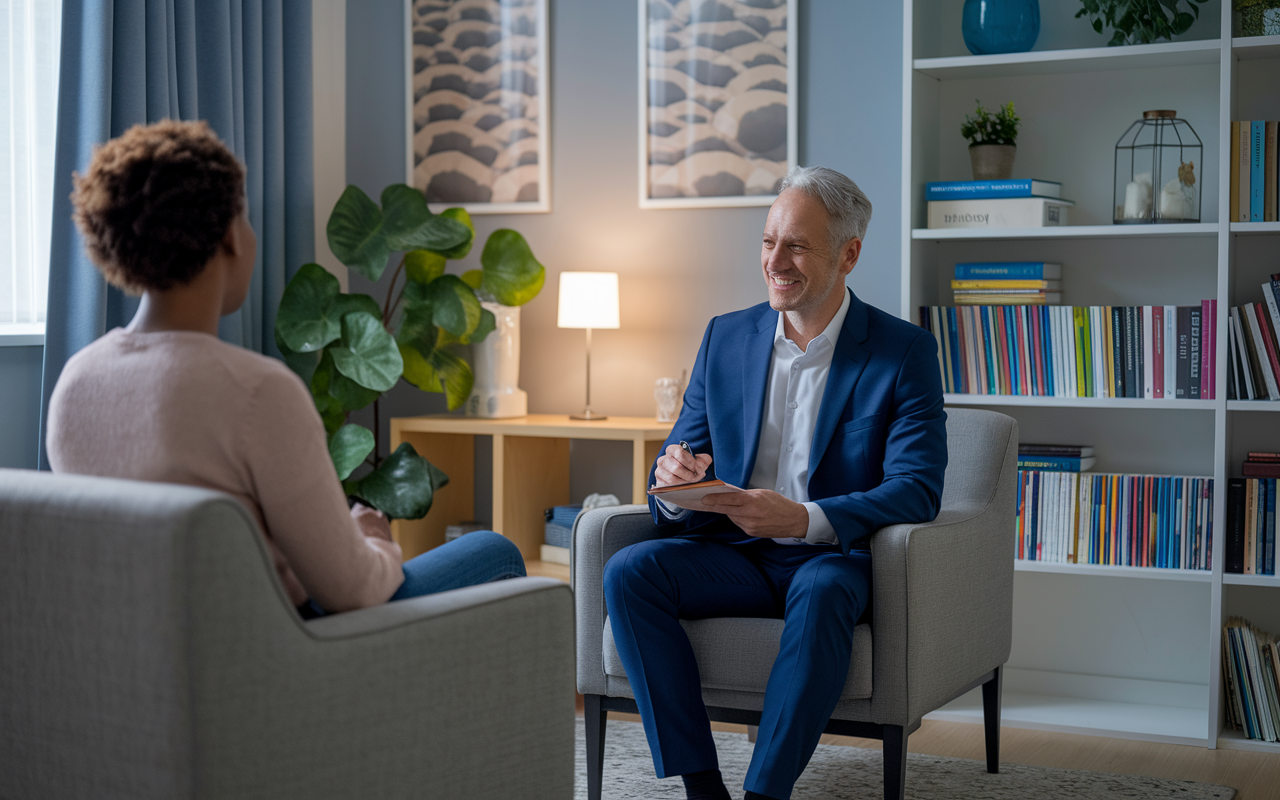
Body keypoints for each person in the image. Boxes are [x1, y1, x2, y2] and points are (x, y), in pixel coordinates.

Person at [46, 119, 524, 616]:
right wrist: (374, 540)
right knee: (496, 553)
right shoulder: (257, 392)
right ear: (231, 236)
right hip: (291, 653)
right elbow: (353, 592)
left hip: (159, 649)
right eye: (246, 218)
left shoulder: (76, 384)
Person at [603, 166, 948, 800]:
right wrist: (672, 478)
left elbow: (917, 488)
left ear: (849, 254)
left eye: (796, 245)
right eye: (768, 241)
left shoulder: (903, 352)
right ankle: (703, 788)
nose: (775, 261)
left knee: (820, 592)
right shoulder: (726, 336)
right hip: (730, 555)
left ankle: (766, 794)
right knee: (630, 570)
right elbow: (684, 449)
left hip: (829, 558)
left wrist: (804, 519)